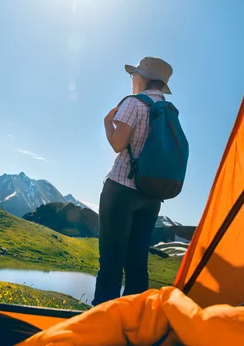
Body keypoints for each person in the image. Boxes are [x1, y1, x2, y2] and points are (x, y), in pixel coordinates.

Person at [92, 56, 174, 306]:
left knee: (111, 259)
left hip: (121, 189)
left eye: (134, 75)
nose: (132, 80)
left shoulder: (134, 104)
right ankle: (136, 322)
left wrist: (108, 125)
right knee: (138, 261)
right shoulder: (168, 111)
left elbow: (118, 144)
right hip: (151, 195)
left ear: (143, 78)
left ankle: (102, 322)